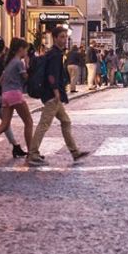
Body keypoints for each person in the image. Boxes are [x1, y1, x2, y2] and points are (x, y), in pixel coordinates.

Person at [27, 25, 89, 165]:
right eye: (61, 37)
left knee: (66, 121)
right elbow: (52, 75)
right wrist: (56, 92)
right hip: (52, 96)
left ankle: (75, 152)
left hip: (52, 95)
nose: (64, 39)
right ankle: (33, 154)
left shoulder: (53, 53)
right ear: (54, 38)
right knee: (44, 124)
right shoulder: (55, 55)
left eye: (65, 37)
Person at [0, 39, 34, 159]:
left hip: (5, 94)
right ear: (21, 49)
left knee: (4, 124)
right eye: (26, 49)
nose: (26, 52)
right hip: (15, 94)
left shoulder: (8, 63)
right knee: (29, 122)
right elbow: (26, 77)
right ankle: (32, 152)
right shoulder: (19, 63)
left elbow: (0, 81)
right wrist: (28, 65)